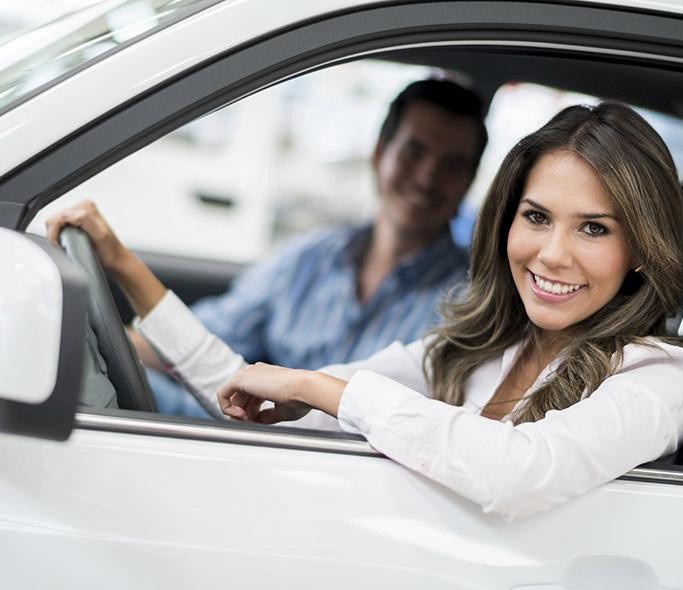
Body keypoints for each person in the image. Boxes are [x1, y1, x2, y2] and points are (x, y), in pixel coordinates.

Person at [47, 103, 683, 520]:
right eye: (535, 218)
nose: (552, 254)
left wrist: (321, 389)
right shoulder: (473, 349)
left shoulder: (658, 376)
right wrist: (120, 263)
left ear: (641, 249)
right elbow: (242, 388)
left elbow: (518, 473)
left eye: (593, 229)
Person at [135, 78, 489, 417]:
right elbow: (209, 335)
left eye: (451, 166)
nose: (426, 178)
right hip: (243, 441)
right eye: (415, 152)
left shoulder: (469, 304)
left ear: (468, 182)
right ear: (380, 153)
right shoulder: (310, 257)